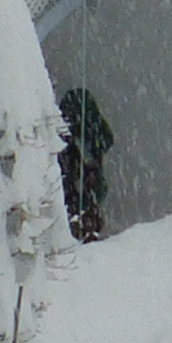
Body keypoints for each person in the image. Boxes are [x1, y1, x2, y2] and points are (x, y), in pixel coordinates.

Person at [57, 87, 114, 242]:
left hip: (76, 184)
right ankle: (83, 226)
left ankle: (80, 226)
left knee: (80, 196)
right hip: (80, 182)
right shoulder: (91, 127)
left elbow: (106, 140)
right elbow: (107, 139)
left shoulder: (66, 133)